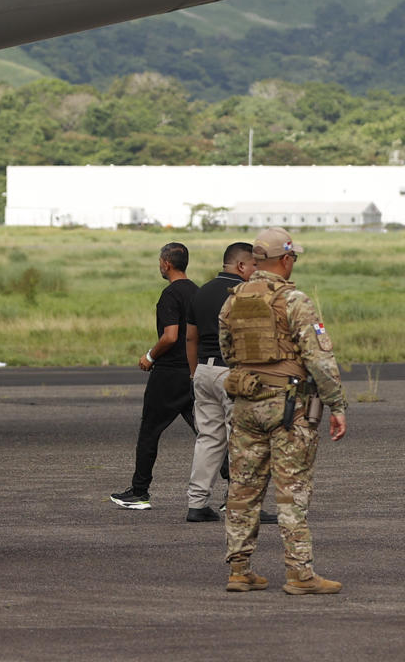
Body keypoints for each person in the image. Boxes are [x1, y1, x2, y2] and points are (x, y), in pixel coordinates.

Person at [218, 229, 347, 595]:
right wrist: (336, 404)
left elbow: (229, 352)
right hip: (289, 407)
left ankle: (240, 570)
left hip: (246, 404)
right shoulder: (295, 301)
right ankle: (300, 574)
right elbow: (319, 360)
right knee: (291, 492)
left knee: (242, 490)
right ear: (286, 260)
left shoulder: (232, 301)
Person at [110, 242, 197, 510]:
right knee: (208, 433)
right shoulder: (198, 292)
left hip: (169, 373)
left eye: (160, 261)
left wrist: (150, 356)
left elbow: (170, 336)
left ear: (166, 264)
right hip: (195, 372)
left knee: (150, 431)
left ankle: (139, 491)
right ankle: (234, 490)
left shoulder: (170, 295)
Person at [183, 241, 256, 521]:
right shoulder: (243, 293)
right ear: (240, 265)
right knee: (242, 440)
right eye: (254, 266)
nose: (256, 271)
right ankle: (243, 505)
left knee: (208, 440)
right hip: (233, 372)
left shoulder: (201, 293)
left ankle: (197, 503)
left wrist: (194, 374)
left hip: (204, 370)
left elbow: (191, 337)